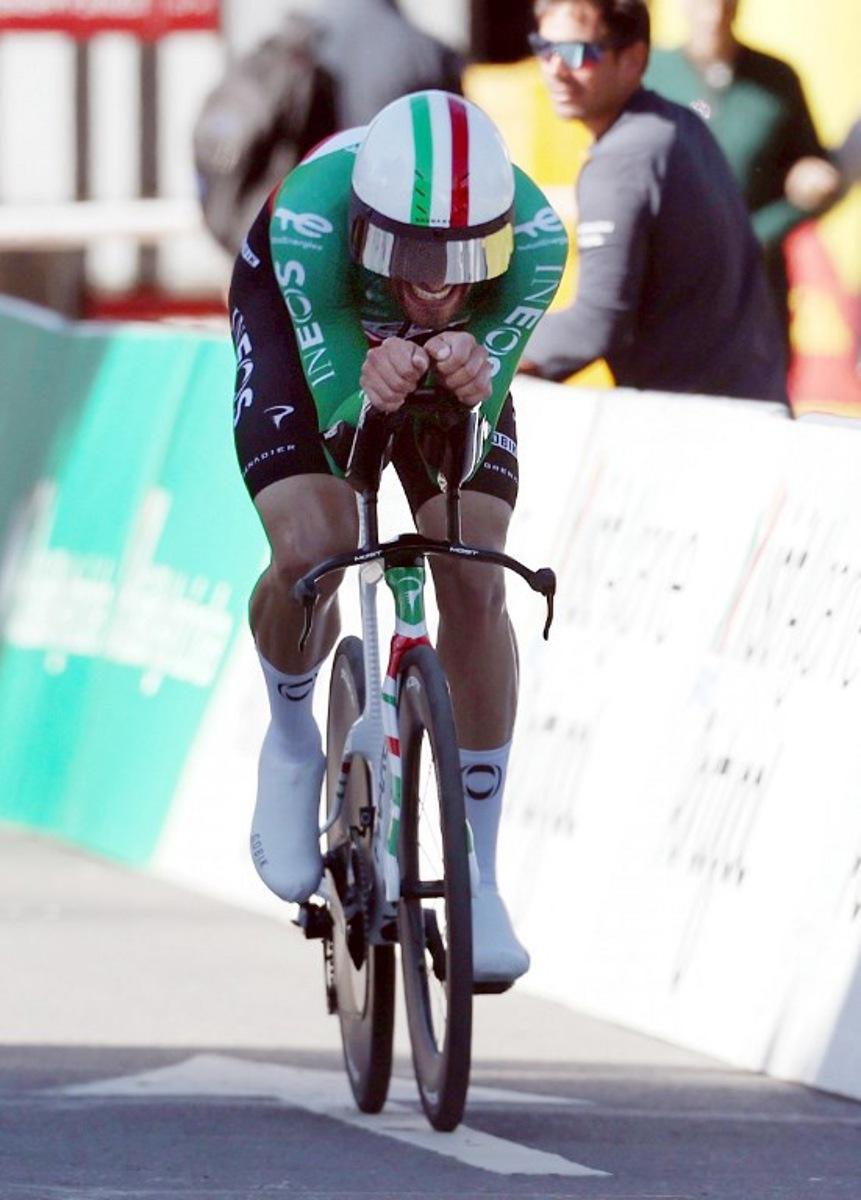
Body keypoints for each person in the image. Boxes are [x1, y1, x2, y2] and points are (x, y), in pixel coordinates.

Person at [229, 91, 568, 985]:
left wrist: (473, 371)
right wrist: (364, 389)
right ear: (364, 230)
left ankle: (482, 878)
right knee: (314, 543)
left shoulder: (537, 241)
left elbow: (468, 432)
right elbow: (341, 430)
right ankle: (293, 738)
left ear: (497, 237)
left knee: (474, 566)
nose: (433, 277)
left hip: (432, 358)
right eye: (405, 251)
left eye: (463, 257)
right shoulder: (311, 221)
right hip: (311, 312)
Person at [519, 0, 788, 405]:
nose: (554, 68)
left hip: (698, 433)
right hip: (754, 409)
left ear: (633, 59)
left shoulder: (624, 157)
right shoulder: (679, 124)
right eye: (544, 46)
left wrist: (484, 351)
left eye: (577, 53)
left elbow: (594, 325)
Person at [195, 0, 463, 255]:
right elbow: (452, 165)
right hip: (375, 250)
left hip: (286, 239)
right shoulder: (427, 54)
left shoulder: (295, 39)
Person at [644, 0, 841, 345]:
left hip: (755, 283)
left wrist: (805, 185)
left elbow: (813, 170)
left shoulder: (775, 78)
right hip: (672, 280)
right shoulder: (651, 72)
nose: (714, 10)